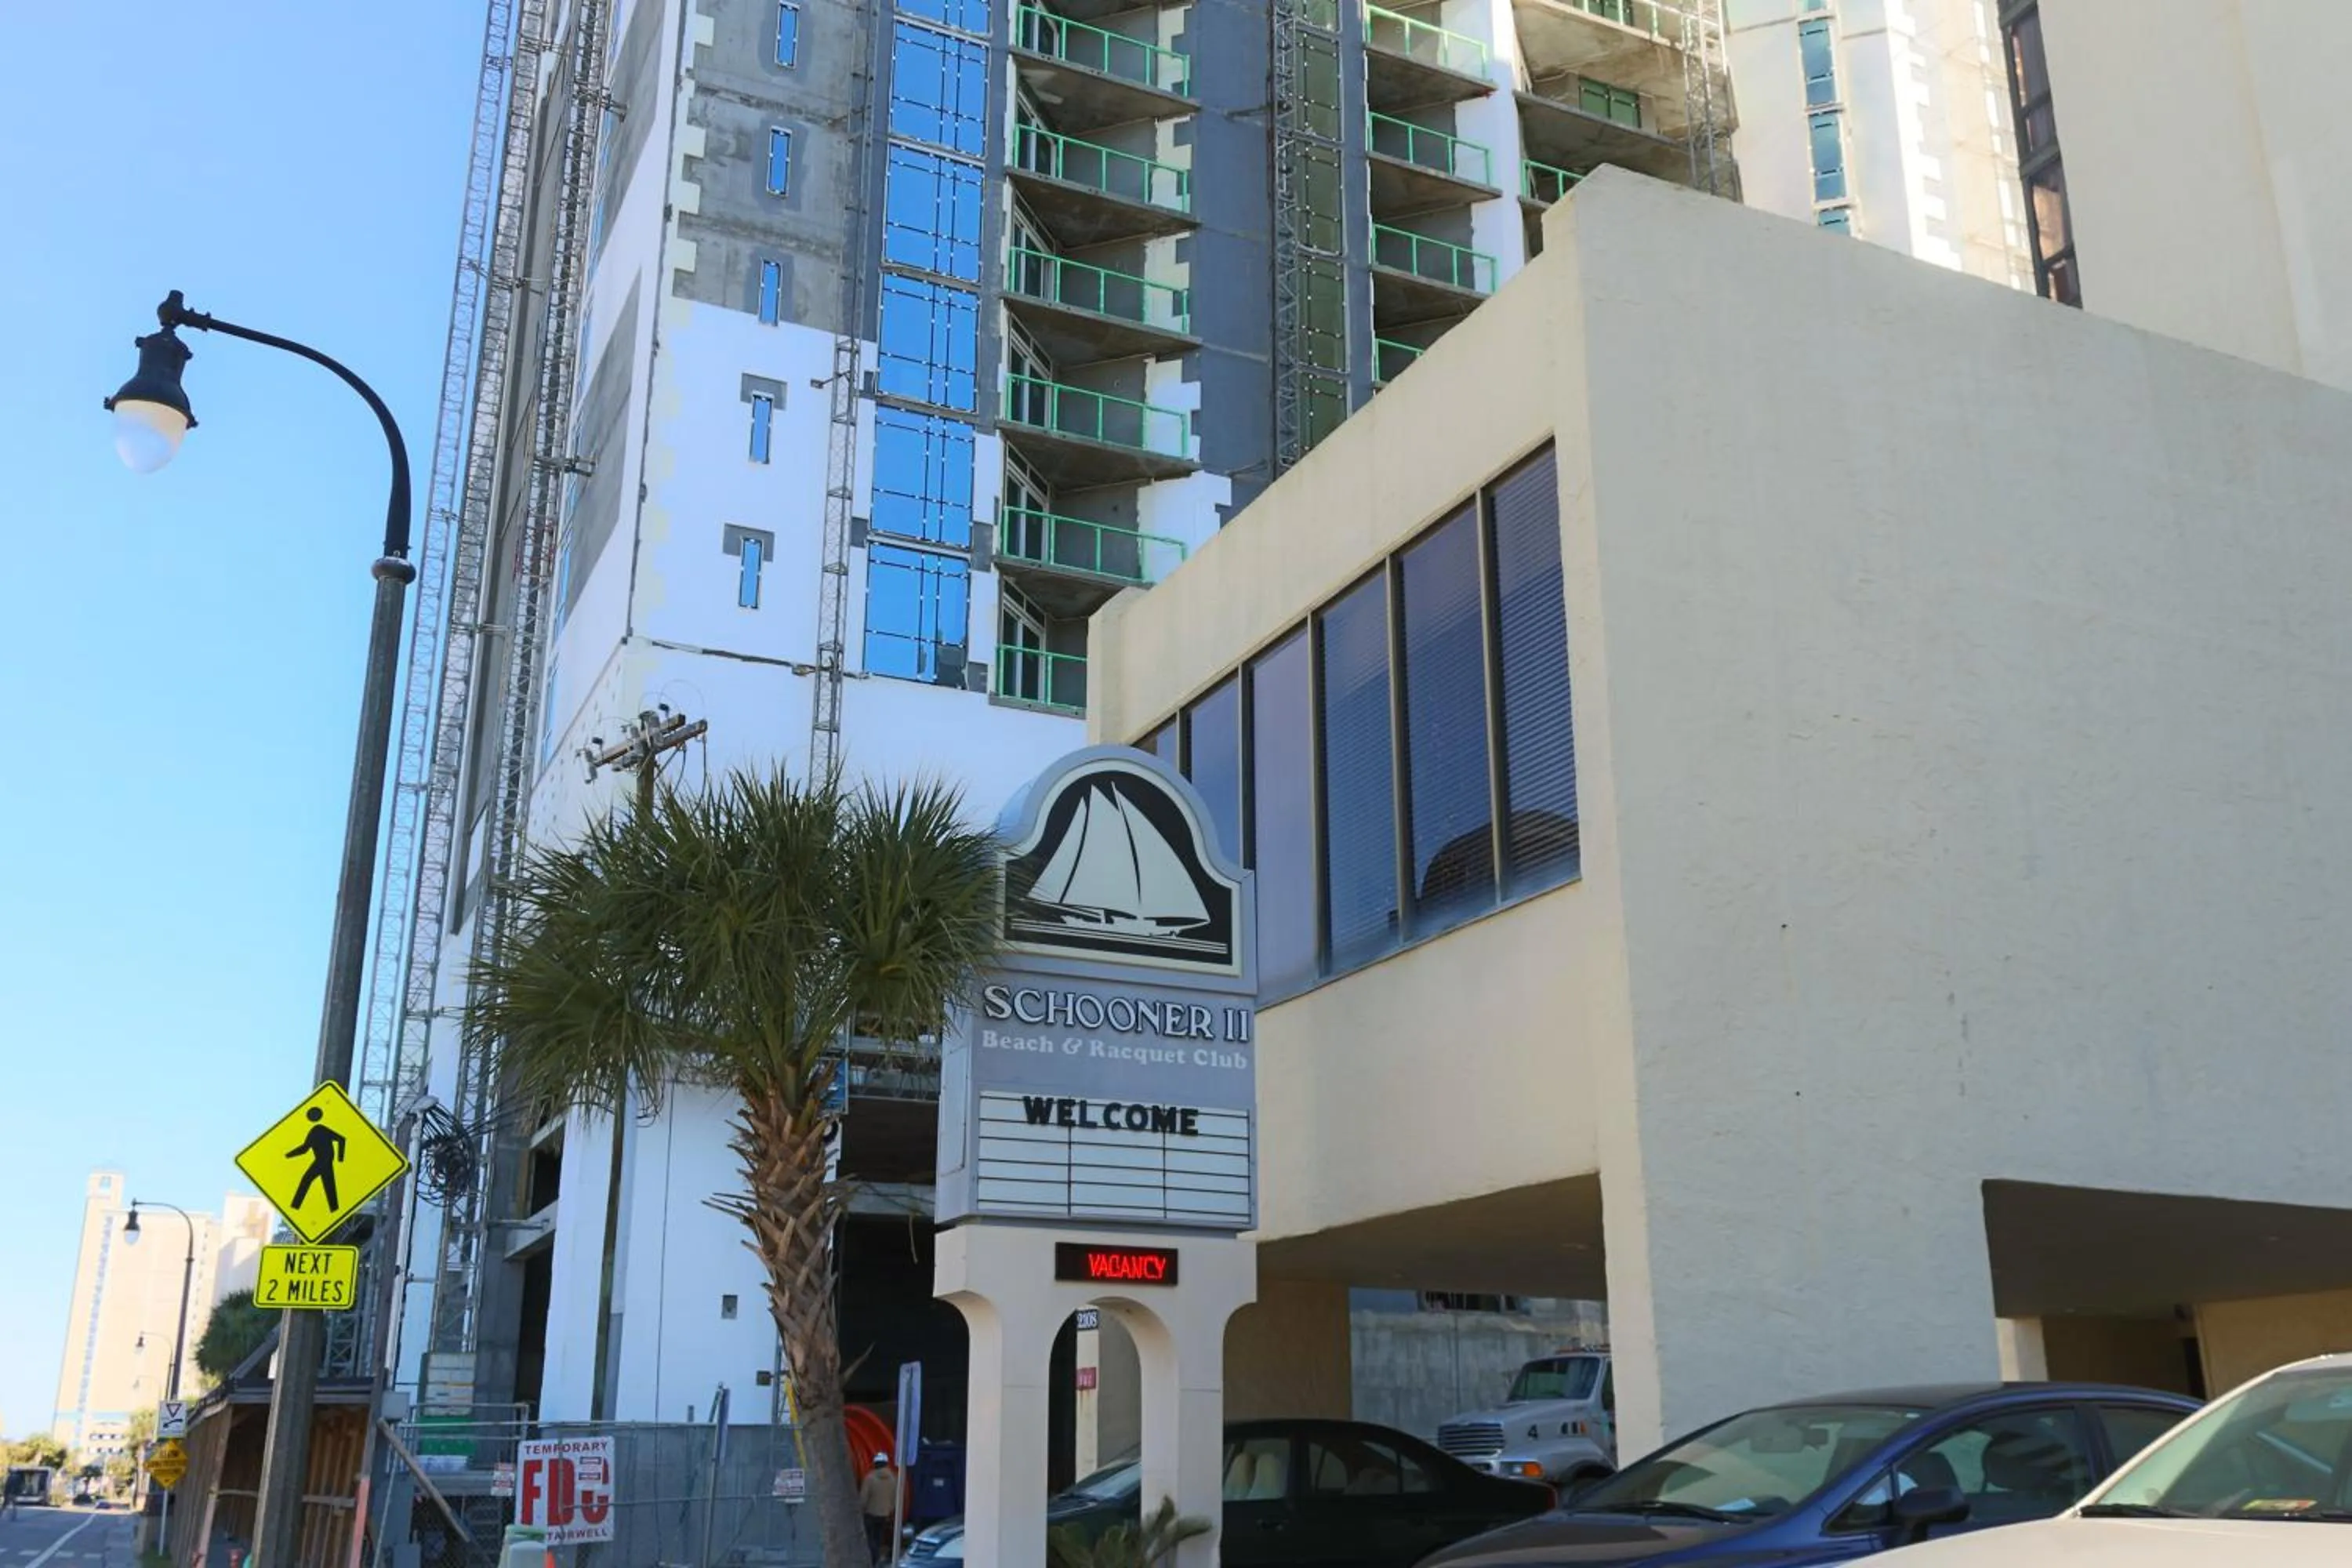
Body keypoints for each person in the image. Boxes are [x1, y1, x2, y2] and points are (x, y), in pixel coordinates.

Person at [859, 1453, 898, 1564]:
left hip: (871, 1514)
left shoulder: (870, 1478)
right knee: (878, 1537)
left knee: (870, 1538)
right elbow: (895, 1498)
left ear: (875, 1464)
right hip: (885, 1514)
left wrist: (861, 1511)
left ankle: (873, 1558)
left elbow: (863, 1498)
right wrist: (890, 1510)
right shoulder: (893, 1478)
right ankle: (876, 1559)